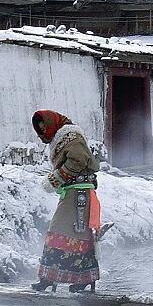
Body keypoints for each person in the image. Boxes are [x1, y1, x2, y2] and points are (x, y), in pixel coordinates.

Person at [31, 110, 101, 293]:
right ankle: (80, 279)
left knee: (59, 232)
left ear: (51, 123)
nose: (43, 130)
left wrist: (56, 179)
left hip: (78, 194)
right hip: (74, 193)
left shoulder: (71, 137)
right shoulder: (64, 138)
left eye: (44, 126)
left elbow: (79, 160)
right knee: (77, 235)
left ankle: (49, 278)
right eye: (40, 128)